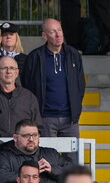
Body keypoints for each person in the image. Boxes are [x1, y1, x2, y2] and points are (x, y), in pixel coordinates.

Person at [21, 19, 85, 157]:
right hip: (45, 118)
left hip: (70, 119)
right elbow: (27, 86)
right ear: (44, 36)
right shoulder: (35, 57)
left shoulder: (73, 55)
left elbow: (80, 85)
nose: (58, 35)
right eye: (52, 31)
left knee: (73, 162)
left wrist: (75, 109)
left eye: (59, 30)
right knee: (47, 160)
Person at [0, 119, 72, 183]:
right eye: (26, 135)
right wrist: (30, 172)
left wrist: (52, 170)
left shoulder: (51, 153)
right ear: (15, 138)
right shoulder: (4, 156)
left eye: (35, 135)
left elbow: (72, 174)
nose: (31, 139)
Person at [0, 55, 42, 137]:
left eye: (12, 68)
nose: (8, 71)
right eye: (4, 68)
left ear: (17, 73)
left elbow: (38, 126)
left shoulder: (29, 97)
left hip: (21, 146)